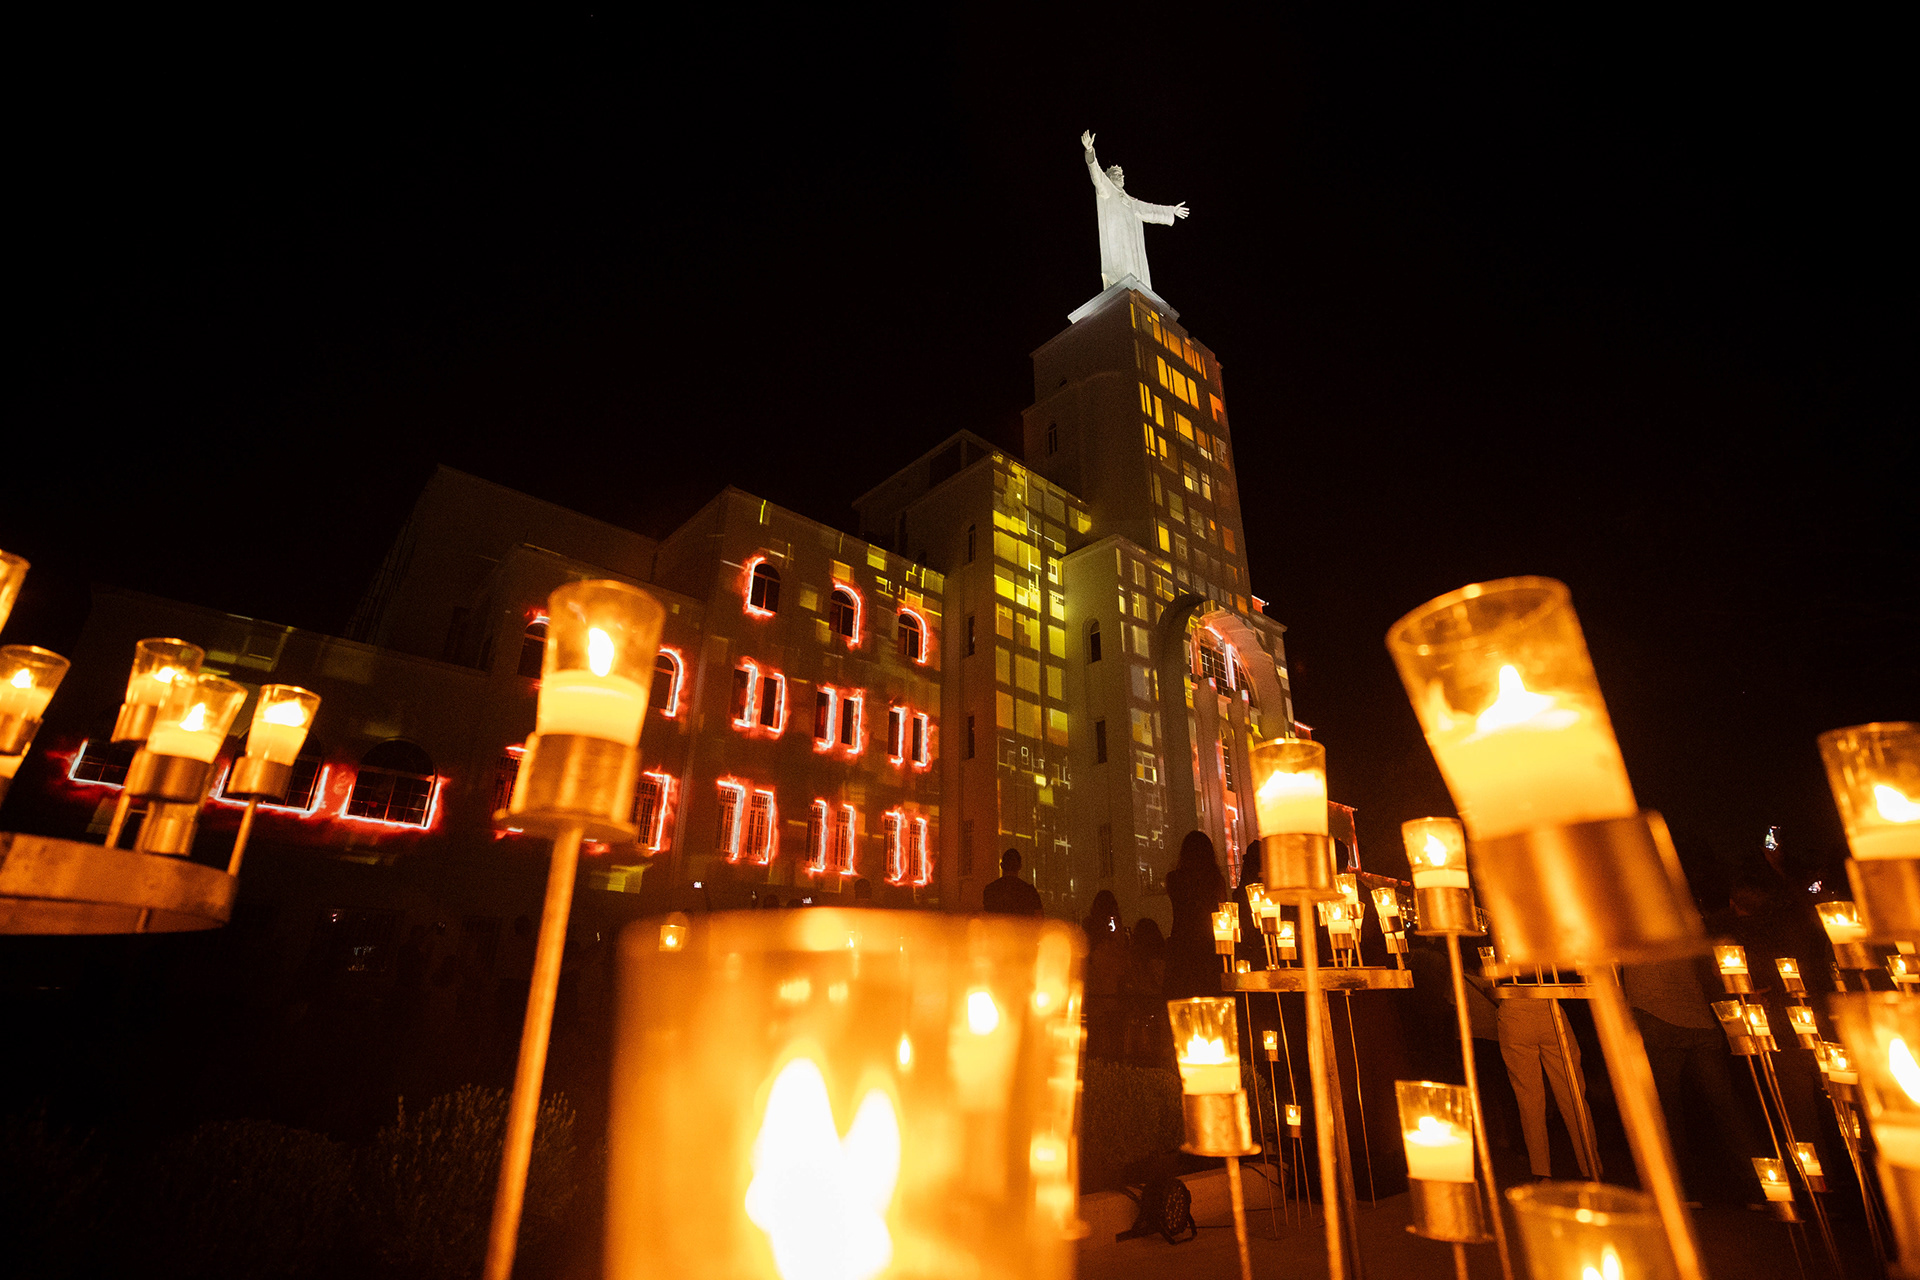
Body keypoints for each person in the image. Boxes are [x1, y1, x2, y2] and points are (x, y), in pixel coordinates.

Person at [1624, 955, 1764, 1199]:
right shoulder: (1684, 921)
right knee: (1725, 1103)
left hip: (1656, 1015)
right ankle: (1759, 1182)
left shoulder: (1629, 923)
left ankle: (1679, 1186)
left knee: (1666, 1105)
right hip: (1697, 1017)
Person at [1497, 991, 1596, 1181]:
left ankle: (1541, 1172)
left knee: (1529, 1099)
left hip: (1514, 1007)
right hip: (1549, 1005)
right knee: (1573, 1093)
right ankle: (1590, 1166)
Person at [1164, 830, 1227, 1000]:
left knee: (1183, 997)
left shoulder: (1173, 879)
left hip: (1181, 945)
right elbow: (1224, 910)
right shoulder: (1215, 880)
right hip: (1209, 945)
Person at [1082, 890, 1128, 1059]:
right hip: (1112, 986)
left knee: (1093, 1032)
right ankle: (1115, 1064)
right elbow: (1121, 949)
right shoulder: (1114, 925)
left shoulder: (1089, 926)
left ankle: (1093, 1066)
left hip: (1094, 986)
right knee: (1114, 1032)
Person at [982, 848, 1043, 916]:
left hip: (998, 926)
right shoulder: (1030, 891)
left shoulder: (991, 890)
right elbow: (1039, 918)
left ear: (1002, 865)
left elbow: (986, 917)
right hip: (1023, 926)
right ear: (1020, 866)